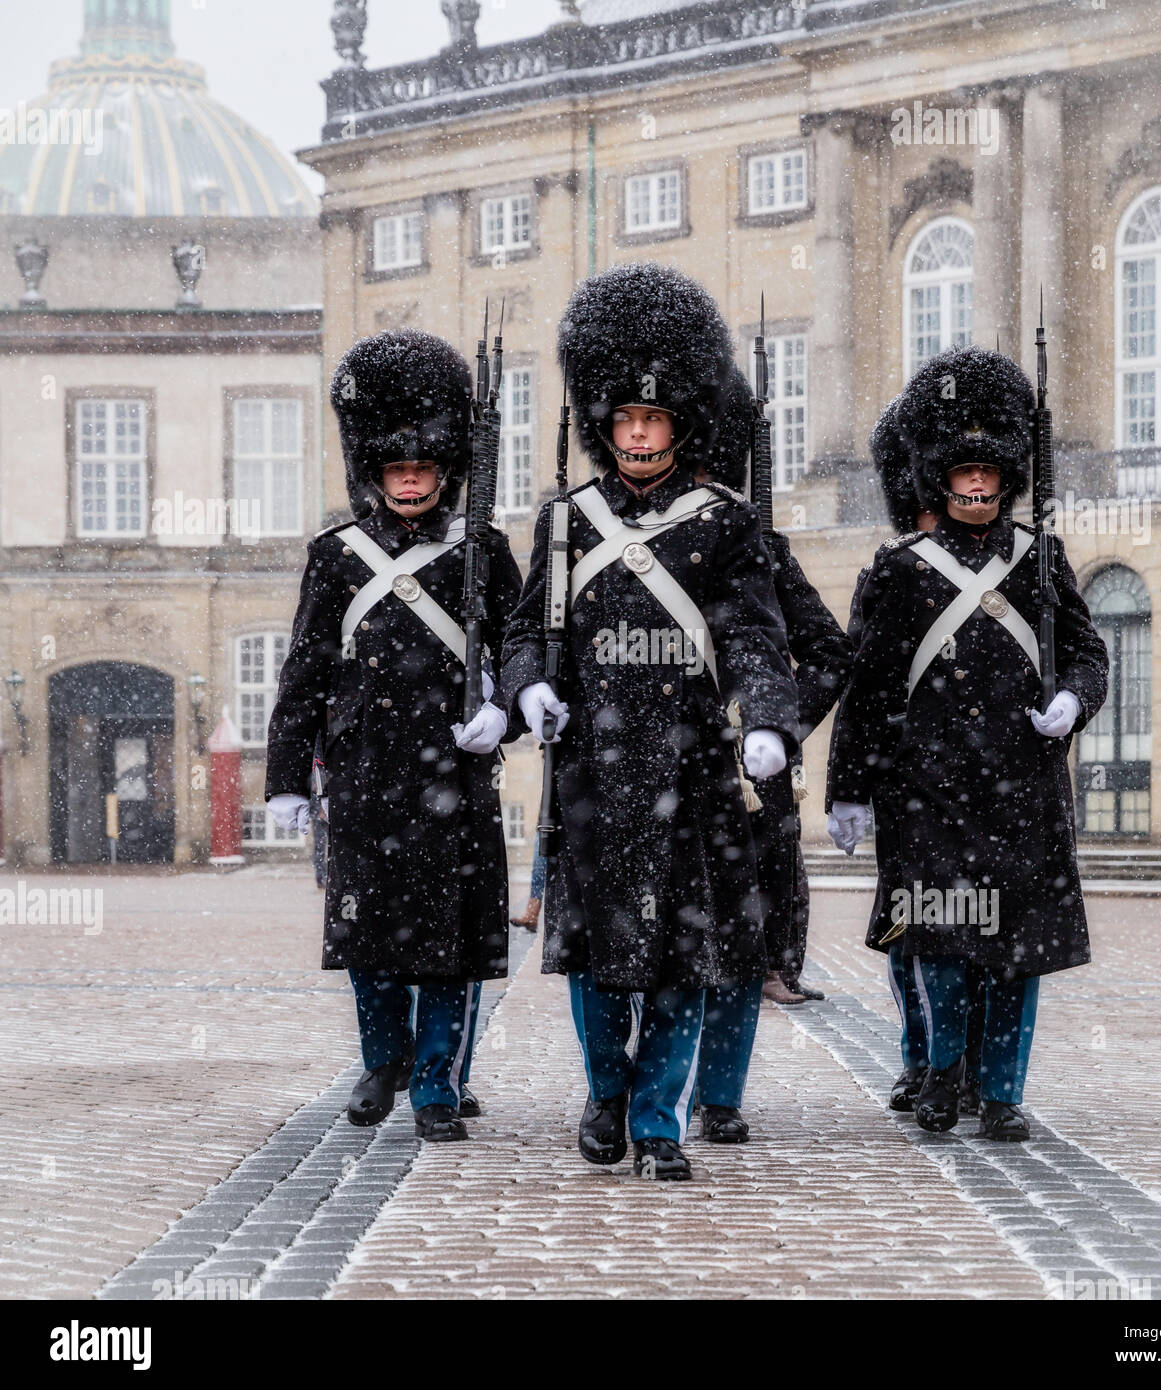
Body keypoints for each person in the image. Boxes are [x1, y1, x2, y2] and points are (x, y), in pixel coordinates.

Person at [499, 262, 800, 1180]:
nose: (637, 434)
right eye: (624, 419)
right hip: (595, 771)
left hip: (692, 768)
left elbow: (754, 629)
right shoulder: (566, 522)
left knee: (680, 960)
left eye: (654, 420)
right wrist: (529, 688)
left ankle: (660, 1121)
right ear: (605, 425)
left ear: (679, 427)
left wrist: (767, 721)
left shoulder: (725, 524)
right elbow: (526, 633)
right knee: (596, 961)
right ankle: (605, 1092)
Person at [826, 347, 1108, 1140]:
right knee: (941, 948)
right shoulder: (900, 569)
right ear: (940, 480)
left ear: (1008, 475)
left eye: (989, 471)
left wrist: (1071, 701)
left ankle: (1002, 1089)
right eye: (963, 473)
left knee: (1013, 956)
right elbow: (870, 689)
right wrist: (849, 789)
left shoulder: (1042, 559)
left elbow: (1088, 655)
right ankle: (942, 1074)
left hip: (1021, 786)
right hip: (931, 792)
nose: (977, 485)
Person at [265, 329, 522, 1143]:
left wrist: (503, 713)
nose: (409, 480)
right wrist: (283, 778)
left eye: (422, 467)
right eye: (395, 468)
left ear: (446, 470)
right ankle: (385, 1060)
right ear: (374, 472)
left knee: (451, 945)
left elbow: (522, 653)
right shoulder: (335, 556)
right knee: (367, 936)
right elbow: (305, 669)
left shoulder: (483, 551)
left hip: (454, 768)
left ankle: (439, 1083)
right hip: (367, 773)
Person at [687, 364, 853, 1143]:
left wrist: (774, 724)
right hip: (660, 770)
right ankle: (650, 1094)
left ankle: (718, 1095)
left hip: (749, 786)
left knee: (740, 945)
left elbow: (828, 653)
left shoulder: (763, 549)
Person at [861, 393, 985, 1119]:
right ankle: (926, 1057)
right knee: (915, 931)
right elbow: (868, 676)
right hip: (912, 782)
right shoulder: (895, 567)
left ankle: (960, 1061)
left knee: (976, 933)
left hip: (974, 779)